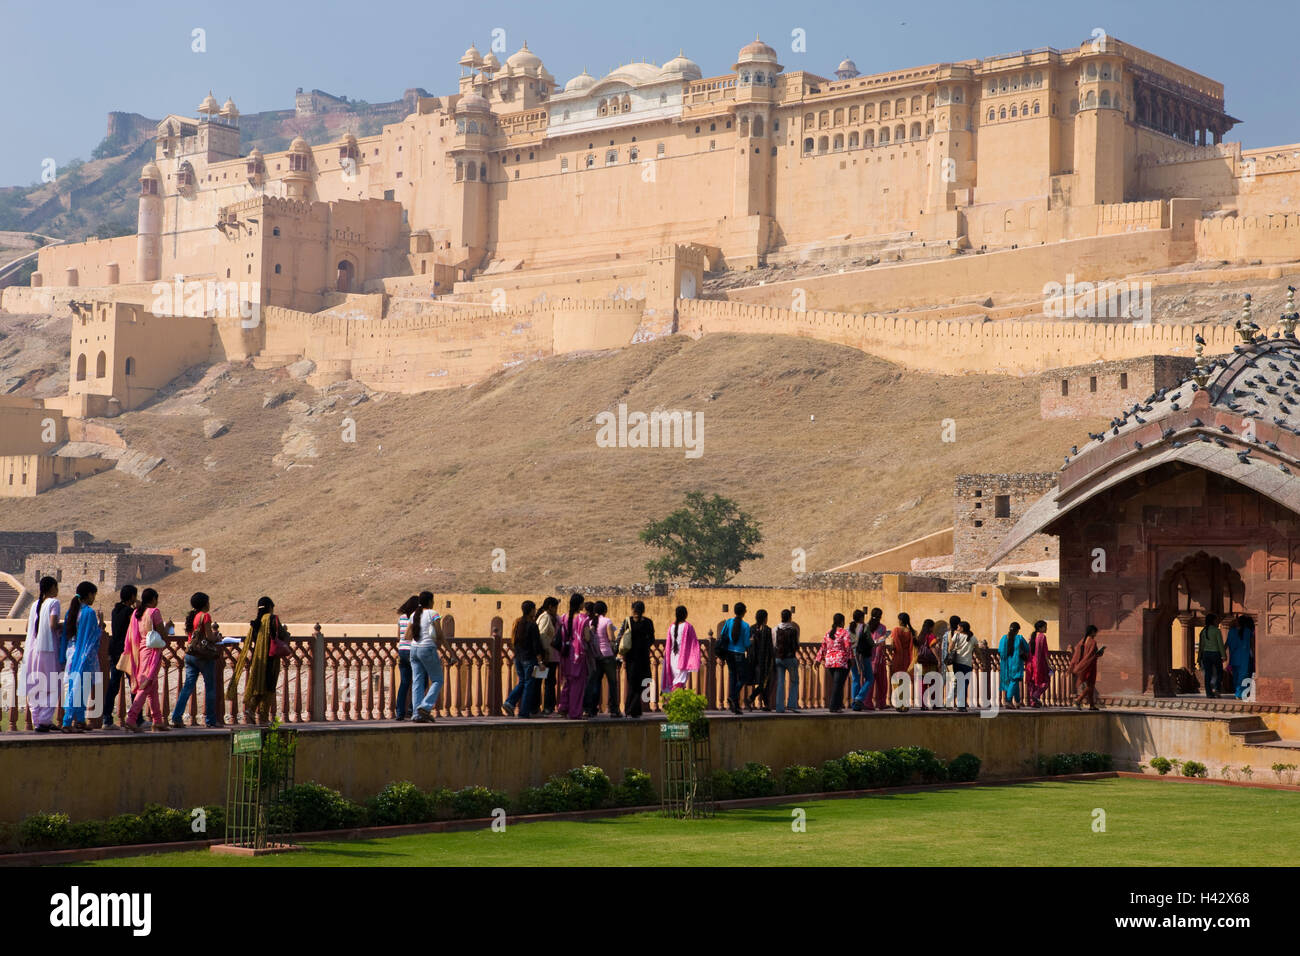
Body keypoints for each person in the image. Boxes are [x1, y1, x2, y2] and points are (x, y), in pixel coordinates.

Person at [229, 596, 285, 725]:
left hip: (257, 660)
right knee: (269, 687)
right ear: (270, 607)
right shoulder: (272, 619)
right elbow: (282, 635)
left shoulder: (255, 623)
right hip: (270, 659)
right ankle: (264, 718)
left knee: (259, 686)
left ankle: (250, 710)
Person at [170, 591, 222, 728]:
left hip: (190, 654)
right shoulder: (205, 616)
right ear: (205, 604)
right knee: (210, 687)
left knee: (187, 687)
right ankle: (210, 720)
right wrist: (217, 637)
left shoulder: (192, 617)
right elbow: (209, 637)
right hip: (203, 656)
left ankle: (176, 716)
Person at [124, 589, 172, 732]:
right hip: (152, 653)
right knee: (145, 685)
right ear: (154, 599)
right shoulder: (154, 612)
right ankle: (131, 718)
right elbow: (162, 634)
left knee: (152, 687)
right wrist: (168, 627)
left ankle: (157, 720)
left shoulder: (136, 613)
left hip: (141, 652)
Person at [20, 576, 61, 732]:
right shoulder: (54, 603)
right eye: (56, 587)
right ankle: (45, 720)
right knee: (51, 685)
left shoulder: (34, 605)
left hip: (32, 651)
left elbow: (27, 627)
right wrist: (64, 626)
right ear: (51, 588)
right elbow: (53, 624)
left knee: (35, 686)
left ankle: (37, 719)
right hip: (48, 650)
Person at [61, 582, 101, 733]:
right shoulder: (89, 613)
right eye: (93, 595)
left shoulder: (71, 611)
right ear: (89, 594)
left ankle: (80, 720)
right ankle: (67, 721)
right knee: (78, 688)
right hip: (85, 655)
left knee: (75, 686)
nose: (94, 598)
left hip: (72, 653)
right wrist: (100, 627)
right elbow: (92, 637)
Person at [102, 585, 137, 727]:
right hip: (126, 651)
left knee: (113, 685)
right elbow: (136, 626)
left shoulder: (115, 610)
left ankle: (107, 718)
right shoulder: (130, 612)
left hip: (114, 650)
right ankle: (137, 718)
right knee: (134, 685)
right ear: (132, 597)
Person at [407, 591, 444, 723]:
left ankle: (417, 714)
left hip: (414, 649)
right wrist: (448, 649)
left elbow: (407, 636)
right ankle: (425, 706)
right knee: (437, 680)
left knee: (417, 682)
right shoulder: (433, 614)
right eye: (433, 600)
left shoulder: (413, 615)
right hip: (427, 648)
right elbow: (440, 634)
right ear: (430, 601)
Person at [503, 600, 543, 718]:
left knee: (522, 682)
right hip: (529, 659)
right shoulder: (532, 625)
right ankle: (523, 712)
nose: (535, 611)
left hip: (518, 658)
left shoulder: (518, 622)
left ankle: (509, 702)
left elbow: (514, 641)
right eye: (534, 609)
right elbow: (536, 645)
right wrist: (540, 661)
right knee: (528, 684)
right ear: (531, 610)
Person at [583, 600, 621, 717]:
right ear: (605, 610)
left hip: (595, 656)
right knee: (612, 683)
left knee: (595, 683)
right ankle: (614, 710)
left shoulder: (590, 622)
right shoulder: (606, 621)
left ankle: (592, 709)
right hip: (607, 656)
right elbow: (611, 638)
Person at [621, 601, 656, 717]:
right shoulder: (648, 622)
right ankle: (632, 709)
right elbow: (652, 639)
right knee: (641, 684)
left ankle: (630, 709)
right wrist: (643, 644)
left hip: (631, 658)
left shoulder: (628, 621)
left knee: (632, 684)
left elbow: (623, 638)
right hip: (643, 658)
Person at [557, 593, 589, 719]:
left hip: (566, 653)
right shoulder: (582, 618)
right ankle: (575, 712)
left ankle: (563, 708)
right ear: (579, 604)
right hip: (578, 654)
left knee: (566, 682)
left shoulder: (564, 617)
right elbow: (586, 637)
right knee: (577, 685)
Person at [815, 613, 853, 713]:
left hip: (830, 662)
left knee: (838, 684)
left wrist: (818, 660)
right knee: (838, 684)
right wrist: (851, 658)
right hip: (841, 661)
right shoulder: (844, 633)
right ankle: (833, 706)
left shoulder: (828, 633)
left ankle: (838, 706)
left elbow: (823, 647)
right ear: (842, 622)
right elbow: (848, 646)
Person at [719, 603, 751, 715]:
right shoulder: (746, 626)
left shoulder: (728, 622)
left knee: (733, 676)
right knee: (743, 677)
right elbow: (747, 643)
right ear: (744, 612)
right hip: (739, 654)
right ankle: (733, 696)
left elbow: (722, 635)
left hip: (729, 653)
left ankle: (734, 705)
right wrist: (751, 641)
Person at [852, 607, 885, 711]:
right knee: (872, 679)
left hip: (854, 656)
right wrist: (877, 643)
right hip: (868, 656)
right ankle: (862, 699)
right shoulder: (866, 627)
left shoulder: (850, 628)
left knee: (856, 679)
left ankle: (857, 703)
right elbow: (871, 643)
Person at [662, 605, 700, 694]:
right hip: (682, 660)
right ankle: (675, 702)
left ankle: (671, 701)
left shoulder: (671, 627)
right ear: (686, 615)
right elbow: (694, 644)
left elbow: (668, 644)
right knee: (680, 683)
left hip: (672, 658)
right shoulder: (688, 627)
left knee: (674, 682)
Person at [394, 595, 419, 720]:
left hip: (402, 651)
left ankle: (399, 713)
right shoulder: (416, 618)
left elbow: (398, 637)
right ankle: (411, 709)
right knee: (419, 682)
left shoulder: (401, 618)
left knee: (404, 683)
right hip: (413, 651)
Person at [746, 609, 775, 711]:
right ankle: (750, 699)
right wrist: (772, 660)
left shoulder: (752, 629)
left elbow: (747, 645)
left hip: (754, 661)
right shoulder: (767, 630)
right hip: (763, 662)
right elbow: (770, 647)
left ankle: (766, 704)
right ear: (765, 618)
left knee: (763, 683)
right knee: (764, 683)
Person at [772, 609, 801, 713]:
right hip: (790, 659)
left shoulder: (775, 629)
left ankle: (779, 707)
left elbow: (774, 644)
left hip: (779, 658)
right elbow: (796, 645)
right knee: (794, 681)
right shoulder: (793, 630)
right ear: (790, 618)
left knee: (780, 682)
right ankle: (792, 705)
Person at [536, 596, 560, 715]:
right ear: (550, 607)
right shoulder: (545, 617)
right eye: (555, 607)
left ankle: (547, 706)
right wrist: (543, 652)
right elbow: (542, 635)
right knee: (543, 682)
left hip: (551, 656)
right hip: (546, 656)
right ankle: (544, 707)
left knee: (549, 681)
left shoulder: (552, 618)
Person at [1070, 625, 1103, 710]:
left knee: (1090, 685)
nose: (1096, 634)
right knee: (1090, 685)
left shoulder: (1082, 641)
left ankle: (1092, 705)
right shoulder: (1092, 642)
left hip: (1083, 665)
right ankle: (1078, 700)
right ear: (1092, 632)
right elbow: (1092, 655)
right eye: (1095, 632)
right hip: (1090, 665)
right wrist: (1100, 653)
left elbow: (1077, 654)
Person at [888, 612, 916, 711]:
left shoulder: (896, 630)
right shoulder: (910, 632)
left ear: (900, 620)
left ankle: (899, 704)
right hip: (907, 658)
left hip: (898, 657)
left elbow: (893, 645)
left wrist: (886, 648)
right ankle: (905, 704)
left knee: (897, 681)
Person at [998, 622, 1029, 708]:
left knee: (1013, 682)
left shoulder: (1004, 638)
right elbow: (1027, 648)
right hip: (1016, 663)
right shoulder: (1020, 638)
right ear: (1018, 630)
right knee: (1014, 681)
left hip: (1006, 664)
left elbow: (1000, 650)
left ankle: (1017, 701)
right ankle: (1008, 700)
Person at [1225, 615, 1255, 700]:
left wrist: (1222, 653)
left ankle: (1238, 693)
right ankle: (1240, 694)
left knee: (1236, 676)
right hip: (1244, 658)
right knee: (1243, 676)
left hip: (1234, 657)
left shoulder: (1231, 631)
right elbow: (1252, 645)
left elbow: (1227, 643)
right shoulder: (1248, 631)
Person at [1197, 613, 1226, 699]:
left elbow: (1201, 646)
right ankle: (1217, 689)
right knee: (1219, 672)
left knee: (1208, 674)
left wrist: (1199, 658)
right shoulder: (1216, 631)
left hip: (1206, 654)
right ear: (1213, 621)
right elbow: (1220, 644)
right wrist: (1223, 655)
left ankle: (1209, 693)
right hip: (1215, 654)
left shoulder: (1203, 631)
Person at [949, 621, 976, 711]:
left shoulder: (956, 636)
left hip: (957, 662)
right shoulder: (973, 638)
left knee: (960, 683)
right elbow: (978, 651)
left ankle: (961, 705)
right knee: (964, 684)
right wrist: (982, 660)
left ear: (962, 628)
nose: (957, 628)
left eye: (958, 627)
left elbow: (950, 648)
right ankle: (962, 705)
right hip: (967, 664)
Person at [915, 619, 940, 709]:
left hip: (922, 662)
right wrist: (938, 659)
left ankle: (923, 704)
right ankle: (934, 703)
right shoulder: (931, 636)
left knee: (923, 684)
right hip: (931, 662)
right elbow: (933, 648)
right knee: (933, 683)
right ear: (931, 627)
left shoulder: (920, 636)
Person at [1025, 620, 1051, 707]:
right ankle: (1035, 696)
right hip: (1039, 664)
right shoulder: (1042, 637)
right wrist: (1050, 665)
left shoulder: (1032, 636)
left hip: (1030, 664)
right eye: (1045, 627)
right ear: (1040, 628)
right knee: (1045, 682)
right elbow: (1045, 653)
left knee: (1033, 683)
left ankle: (1033, 702)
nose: (1046, 628)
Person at [846, 609, 866, 703]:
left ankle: (854, 700)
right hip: (859, 655)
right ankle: (857, 700)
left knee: (855, 679)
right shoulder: (863, 627)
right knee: (863, 678)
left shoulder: (848, 628)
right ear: (861, 618)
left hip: (850, 655)